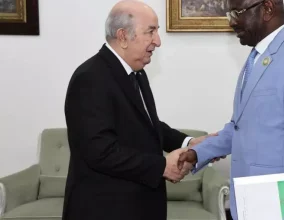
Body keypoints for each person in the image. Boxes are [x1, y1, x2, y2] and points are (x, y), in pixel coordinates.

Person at [178, 0, 284, 220]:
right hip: (249, 204)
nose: (232, 23)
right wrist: (197, 154)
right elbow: (240, 128)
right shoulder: (256, 58)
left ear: (267, 9)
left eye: (237, 13)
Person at [62, 1, 210, 219]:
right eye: (151, 31)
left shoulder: (137, 73)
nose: (157, 42)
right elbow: (100, 152)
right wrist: (162, 166)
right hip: (105, 210)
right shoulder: (90, 78)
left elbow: (146, 126)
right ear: (123, 36)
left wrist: (187, 142)